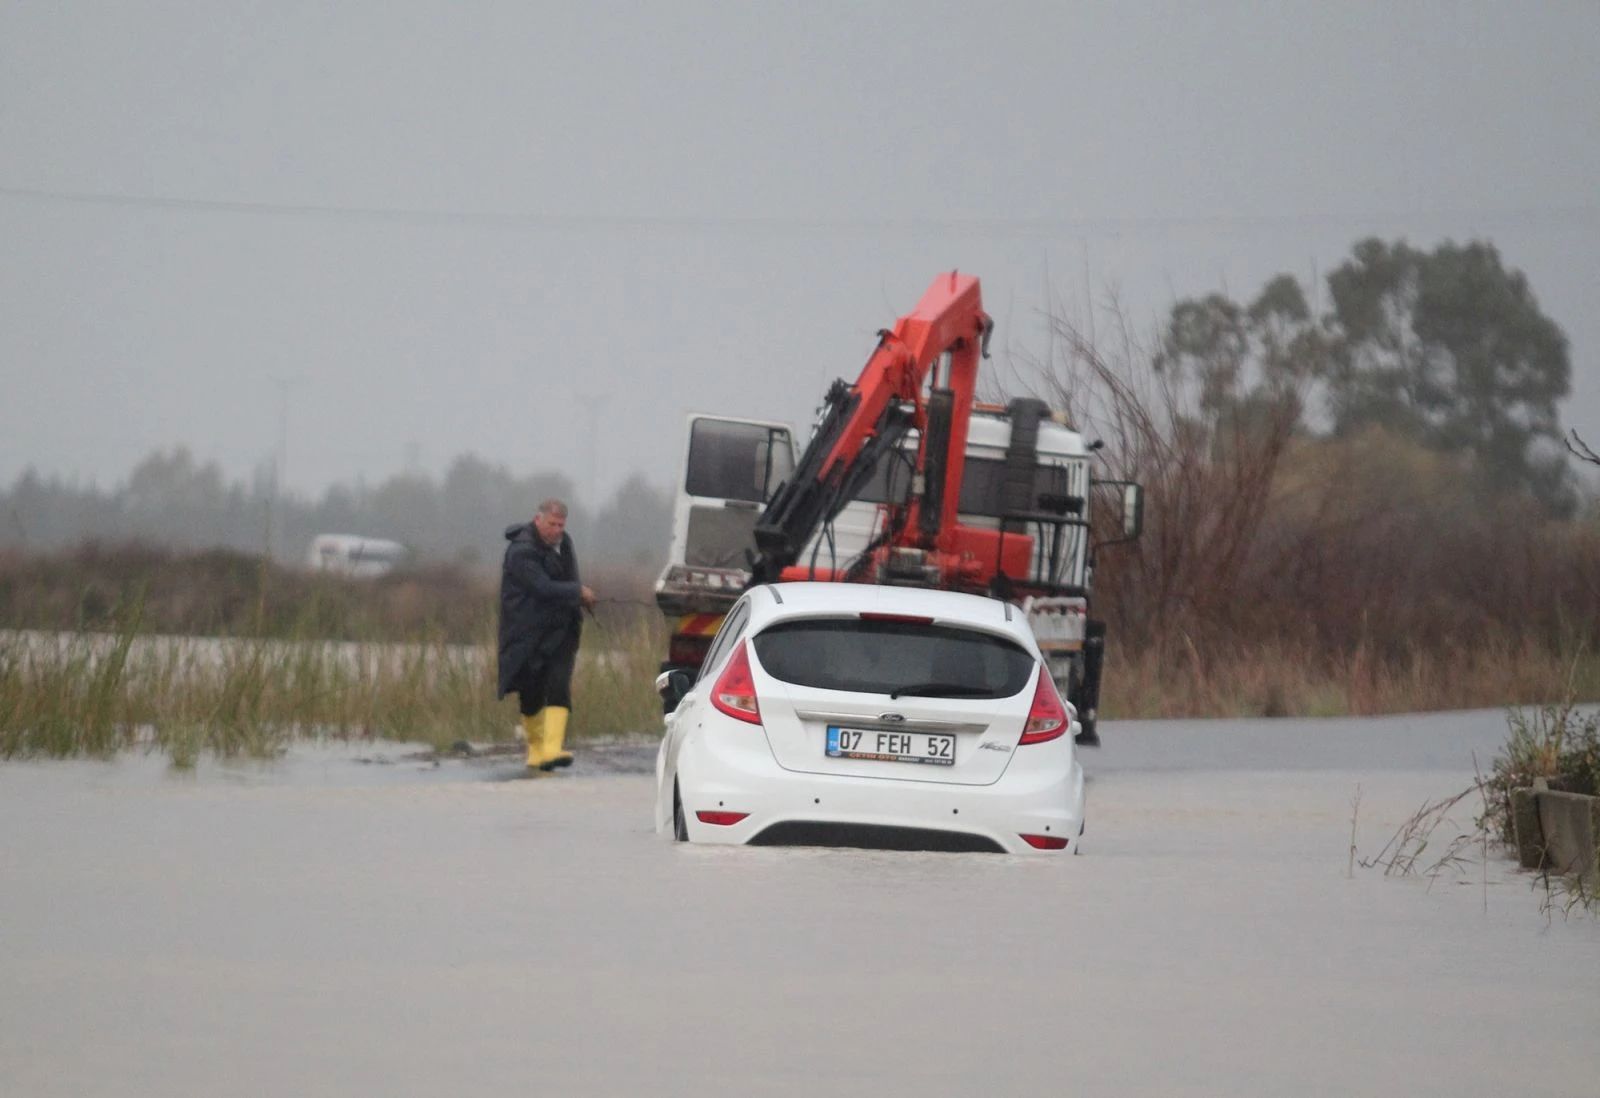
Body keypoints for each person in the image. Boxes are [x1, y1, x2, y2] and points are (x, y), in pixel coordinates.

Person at [498, 499, 595, 771]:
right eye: (552, 524)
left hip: (562, 629)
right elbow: (541, 587)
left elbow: (571, 577)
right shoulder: (521, 551)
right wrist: (577, 592)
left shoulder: (566, 543)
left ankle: (553, 748)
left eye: (561, 525)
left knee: (558, 684)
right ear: (538, 520)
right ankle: (536, 751)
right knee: (530, 691)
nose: (556, 530)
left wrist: (579, 598)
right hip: (526, 632)